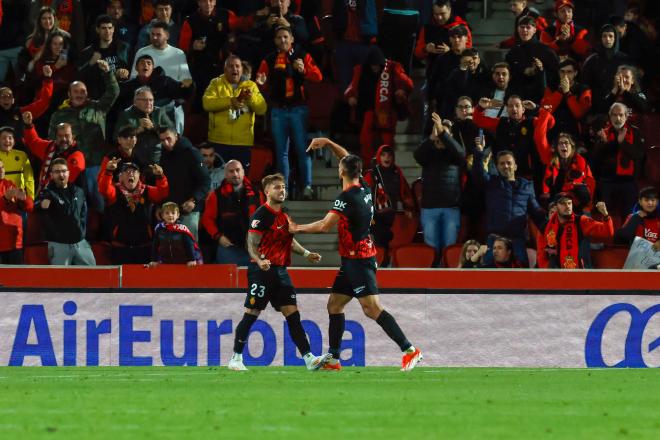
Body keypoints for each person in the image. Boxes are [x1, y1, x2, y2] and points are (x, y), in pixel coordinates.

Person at [290, 137, 423, 372]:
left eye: (341, 164)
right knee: (334, 304)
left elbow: (324, 226)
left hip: (359, 260)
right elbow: (346, 158)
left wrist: (296, 228)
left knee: (371, 308)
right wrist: (330, 143)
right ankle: (333, 357)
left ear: (341, 171)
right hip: (352, 258)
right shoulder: (362, 186)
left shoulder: (347, 197)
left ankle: (410, 350)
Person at [227, 173, 329, 372]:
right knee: (251, 313)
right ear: (266, 192)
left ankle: (309, 358)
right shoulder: (261, 215)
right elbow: (251, 244)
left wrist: (307, 253)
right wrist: (259, 260)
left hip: (281, 272)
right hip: (261, 272)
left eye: (283, 187)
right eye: (277, 187)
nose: (282, 190)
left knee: (293, 315)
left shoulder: (284, 215)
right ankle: (236, 358)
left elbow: (289, 239)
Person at [256, 26, 322, 199]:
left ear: (292, 39)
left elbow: (318, 77)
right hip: (278, 110)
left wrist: (304, 71)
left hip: (298, 109)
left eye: (286, 37)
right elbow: (260, 82)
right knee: (281, 153)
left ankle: (307, 186)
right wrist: (261, 83)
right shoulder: (269, 60)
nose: (283, 40)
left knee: (302, 150)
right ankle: (282, 191)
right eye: (279, 37)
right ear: (275, 41)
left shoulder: (302, 55)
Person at [48, 59, 119, 210]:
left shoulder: (98, 108)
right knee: (76, 205)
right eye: (76, 91)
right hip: (72, 167)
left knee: (100, 205)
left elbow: (114, 91)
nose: (80, 94)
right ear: (69, 94)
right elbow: (51, 141)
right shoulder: (59, 115)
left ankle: (103, 232)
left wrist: (108, 73)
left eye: (83, 92)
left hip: (96, 165)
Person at [472, 147, 546, 267]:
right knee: (488, 279)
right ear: (497, 167)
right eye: (502, 163)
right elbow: (477, 173)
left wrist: (552, 228)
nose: (505, 166)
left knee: (521, 279)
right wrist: (479, 153)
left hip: (517, 240)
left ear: (515, 166)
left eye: (509, 163)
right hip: (494, 240)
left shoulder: (526, 186)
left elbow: (536, 213)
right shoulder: (491, 182)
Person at [345, 46, 413, 165]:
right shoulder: (360, 70)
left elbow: (407, 83)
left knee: (387, 144)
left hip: (387, 113)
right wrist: (351, 96)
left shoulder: (392, 67)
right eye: (373, 65)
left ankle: (388, 170)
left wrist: (401, 90)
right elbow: (351, 88)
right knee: (365, 142)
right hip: (368, 112)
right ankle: (367, 170)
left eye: (377, 65)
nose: (375, 68)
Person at [414, 113, 465, 264]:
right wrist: (432, 137)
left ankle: (448, 278)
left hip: (451, 207)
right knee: (431, 247)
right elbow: (417, 155)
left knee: (449, 247)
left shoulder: (454, 155)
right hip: (429, 208)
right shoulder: (428, 154)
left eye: (445, 134)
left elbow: (461, 154)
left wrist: (443, 133)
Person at [203, 55, 267, 171]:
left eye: (237, 66)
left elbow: (261, 109)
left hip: (242, 143)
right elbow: (207, 104)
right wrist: (230, 101)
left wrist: (251, 98)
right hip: (218, 141)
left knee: (240, 180)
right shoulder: (216, 84)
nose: (235, 69)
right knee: (218, 179)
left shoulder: (251, 86)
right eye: (230, 66)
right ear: (224, 69)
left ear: (242, 69)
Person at [99, 161, 169, 264]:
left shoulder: (147, 190)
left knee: (143, 279)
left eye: (134, 171)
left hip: (144, 247)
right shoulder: (115, 191)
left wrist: (160, 176)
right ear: (121, 176)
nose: (130, 173)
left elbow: (163, 192)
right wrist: (108, 171)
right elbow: (104, 189)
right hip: (120, 248)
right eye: (126, 171)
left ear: (139, 176)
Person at [35, 158, 95, 265]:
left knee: (92, 276)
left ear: (68, 173)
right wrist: (41, 204)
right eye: (57, 172)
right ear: (52, 175)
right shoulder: (47, 192)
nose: (61, 174)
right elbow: (36, 206)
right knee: (60, 280)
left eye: (63, 171)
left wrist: (82, 232)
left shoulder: (79, 191)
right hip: (59, 245)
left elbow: (83, 213)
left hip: (80, 243)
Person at [201, 160, 261, 265]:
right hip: (228, 249)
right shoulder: (215, 195)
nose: (235, 174)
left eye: (238, 170)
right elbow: (207, 219)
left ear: (243, 171)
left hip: (254, 247)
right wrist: (218, 237)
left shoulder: (257, 194)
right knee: (227, 280)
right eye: (231, 171)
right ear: (225, 174)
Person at [591, 103, 645, 218]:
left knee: (629, 217)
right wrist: (613, 143)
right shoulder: (603, 133)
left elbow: (639, 154)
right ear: (610, 117)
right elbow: (596, 158)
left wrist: (622, 143)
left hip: (628, 181)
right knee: (604, 216)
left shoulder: (635, 132)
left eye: (621, 115)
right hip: (607, 181)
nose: (618, 118)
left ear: (626, 116)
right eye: (614, 115)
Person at [158, 126, 211, 240]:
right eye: (162, 140)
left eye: (168, 138)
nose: (166, 143)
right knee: (169, 251)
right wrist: (159, 206)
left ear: (176, 136)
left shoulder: (192, 154)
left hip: (189, 211)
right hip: (168, 212)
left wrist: (194, 200)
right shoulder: (162, 154)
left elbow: (205, 181)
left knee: (190, 251)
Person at [363, 144, 415, 256]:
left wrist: (407, 207)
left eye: (389, 155)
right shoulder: (372, 174)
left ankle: (384, 264)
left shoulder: (396, 172)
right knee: (382, 238)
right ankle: (381, 264)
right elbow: (363, 194)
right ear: (378, 157)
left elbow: (404, 190)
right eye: (383, 155)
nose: (387, 158)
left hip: (391, 213)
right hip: (375, 215)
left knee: (386, 239)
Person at [538, 194, 614, 269]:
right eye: (563, 203)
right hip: (554, 274)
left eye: (569, 203)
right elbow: (541, 255)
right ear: (556, 207)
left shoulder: (580, 221)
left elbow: (607, 231)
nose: (567, 206)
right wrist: (547, 273)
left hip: (577, 272)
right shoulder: (545, 227)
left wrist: (605, 215)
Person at [22, 113, 85, 194]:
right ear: (55, 137)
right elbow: (33, 143)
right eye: (60, 136)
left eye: (67, 136)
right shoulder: (50, 147)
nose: (64, 139)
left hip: (70, 198)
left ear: (73, 137)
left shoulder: (77, 155)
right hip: (49, 195)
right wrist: (28, 125)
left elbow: (64, 180)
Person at [115, 86, 172, 165]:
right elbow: (116, 137)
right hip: (134, 161)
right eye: (144, 100)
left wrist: (153, 127)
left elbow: (172, 133)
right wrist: (137, 130)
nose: (149, 103)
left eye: (151, 100)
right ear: (135, 102)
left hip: (159, 158)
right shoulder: (126, 115)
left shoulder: (159, 112)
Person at [77, 14, 130, 100]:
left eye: (110, 28)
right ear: (97, 30)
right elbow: (79, 77)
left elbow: (131, 68)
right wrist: (91, 63)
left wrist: (125, 72)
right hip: (99, 96)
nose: (107, 31)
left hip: (120, 94)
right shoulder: (88, 52)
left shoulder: (123, 48)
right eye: (103, 28)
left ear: (113, 29)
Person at [0, 65, 53, 147]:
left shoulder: (22, 112)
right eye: (3, 96)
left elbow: (43, 102)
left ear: (13, 100)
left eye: (9, 96)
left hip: (20, 154)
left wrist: (47, 79)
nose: (6, 99)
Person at [540, 133, 594, 212]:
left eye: (566, 143)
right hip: (558, 198)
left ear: (572, 146)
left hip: (577, 199)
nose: (563, 145)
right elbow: (547, 181)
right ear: (557, 148)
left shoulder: (579, 160)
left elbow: (577, 181)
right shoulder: (552, 162)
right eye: (560, 143)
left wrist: (564, 194)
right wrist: (546, 193)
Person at [540, 58, 591, 140]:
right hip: (553, 132)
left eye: (569, 72)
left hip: (574, 133)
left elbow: (579, 114)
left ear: (575, 73)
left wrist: (567, 93)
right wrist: (559, 92)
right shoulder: (551, 88)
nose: (565, 75)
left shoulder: (583, 89)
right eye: (562, 71)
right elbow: (546, 109)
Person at [505, 16, 559, 91]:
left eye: (528, 27)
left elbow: (555, 75)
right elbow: (508, 74)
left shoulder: (546, 51)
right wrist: (523, 71)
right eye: (522, 27)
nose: (524, 30)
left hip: (540, 94)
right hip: (518, 94)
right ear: (517, 29)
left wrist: (540, 70)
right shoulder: (512, 52)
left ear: (534, 30)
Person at [0, 159, 33, 264]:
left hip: (15, 243)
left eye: (2, 167)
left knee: (16, 279)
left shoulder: (10, 185)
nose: (1, 170)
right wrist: (5, 199)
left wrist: (24, 199)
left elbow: (30, 208)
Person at [148, 202, 203, 266]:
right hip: (165, 263)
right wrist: (154, 260)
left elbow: (189, 245)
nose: (170, 215)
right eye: (167, 213)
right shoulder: (159, 229)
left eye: (173, 213)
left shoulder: (182, 229)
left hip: (183, 263)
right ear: (162, 215)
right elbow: (155, 246)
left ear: (178, 215)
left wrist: (191, 259)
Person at [0, 126, 34, 199]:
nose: (7, 140)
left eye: (10, 138)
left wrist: (31, 198)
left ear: (14, 141)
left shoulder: (22, 155)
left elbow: (29, 179)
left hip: (18, 198)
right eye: (3, 138)